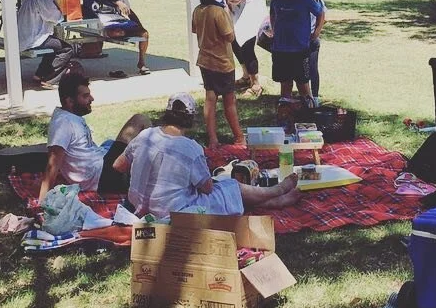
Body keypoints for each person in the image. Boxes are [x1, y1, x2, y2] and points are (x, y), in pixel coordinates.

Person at [112, 93, 301, 219]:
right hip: (173, 212)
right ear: (191, 119)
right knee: (229, 187)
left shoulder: (145, 136)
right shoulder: (190, 148)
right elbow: (207, 188)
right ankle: (274, 193)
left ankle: (276, 199)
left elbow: (118, 166)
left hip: (138, 205)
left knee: (223, 189)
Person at [37, 67, 151, 202]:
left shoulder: (69, 116)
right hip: (104, 176)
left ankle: (148, 168)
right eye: (85, 96)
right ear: (70, 101)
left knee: (112, 143)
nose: (92, 99)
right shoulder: (63, 124)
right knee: (139, 120)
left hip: (103, 167)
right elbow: (52, 165)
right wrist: (41, 202)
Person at [192, 0, 244, 151]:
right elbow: (229, 36)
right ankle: (239, 137)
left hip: (205, 61)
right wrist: (227, 14)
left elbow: (194, 29)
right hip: (223, 63)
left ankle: (212, 139)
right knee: (229, 101)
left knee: (210, 98)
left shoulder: (198, 10)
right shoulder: (218, 11)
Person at [268, 0, 325, 106]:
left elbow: (320, 13)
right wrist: (274, 30)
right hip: (280, 49)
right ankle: (286, 114)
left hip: (299, 49)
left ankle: (309, 111)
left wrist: (316, 31)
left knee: (303, 85)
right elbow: (272, 15)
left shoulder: (304, 0)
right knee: (285, 83)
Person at [221, 0, 268, 98]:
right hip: (250, 13)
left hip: (247, 17)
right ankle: (246, 75)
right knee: (236, 44)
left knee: (247, 49)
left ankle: (255, 84)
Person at [88, 0, 151, 75]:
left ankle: (141, 62)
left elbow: (129, 11)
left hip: (120, 22)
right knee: (116, 32)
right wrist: (118, 2)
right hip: (105, 24)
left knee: (144, 34)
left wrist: (138, 25)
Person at [17, 0, 76, 86]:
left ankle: (39, 74)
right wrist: (57, 3)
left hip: (24, 36)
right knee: (67, 49)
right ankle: (50, 79)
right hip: (33, 38)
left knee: (54, 44)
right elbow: (56, 18)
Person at [296, 0, 326, 100]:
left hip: (301, 39)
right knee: (313, 68)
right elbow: (324, 16)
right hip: (313, 38)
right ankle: (314, 95)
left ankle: (306, 94)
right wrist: (316, 32)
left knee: (300, 69)